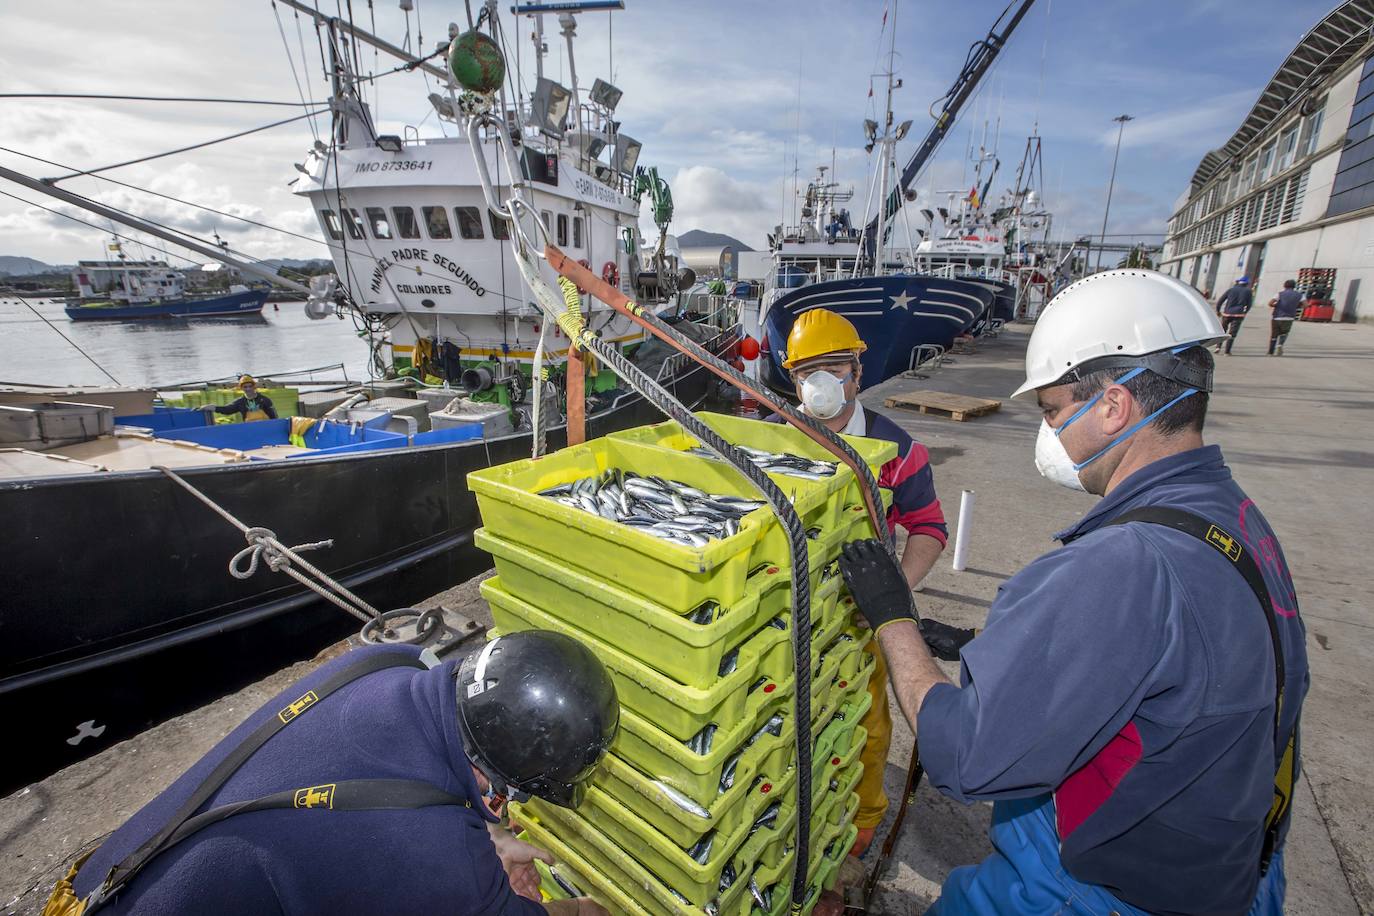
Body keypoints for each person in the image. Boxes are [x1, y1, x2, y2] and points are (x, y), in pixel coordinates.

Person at [839, 269, 1308, 915]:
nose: (1051, 432)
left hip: (1098, 890)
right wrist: (996, 647)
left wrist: (893, 616)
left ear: (1113, 406)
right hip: (1235, 870)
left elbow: (967, 757)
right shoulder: (1233, 517)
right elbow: (1182, 654)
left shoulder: (1119, 563)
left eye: (1054, 411)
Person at [47, 632, 617, 915]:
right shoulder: (435, 857)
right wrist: (584, 910)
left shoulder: (386, 662)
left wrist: (481, 841)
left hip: (106, 880)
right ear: (498, 779)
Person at [772, 308, 948, 859]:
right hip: (792, 611)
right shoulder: (772, 443)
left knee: (868, 724)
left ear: (858, 372)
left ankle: (864, 822)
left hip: (859, 618)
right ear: (792, 378)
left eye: (834, 366)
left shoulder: (897, 449)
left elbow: (929, 526)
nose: (821, 382)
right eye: (807, 371)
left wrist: (893, 595)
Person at [207, 375, 278, 422]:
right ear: (241, 388)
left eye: (250, 386)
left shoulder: (265, 400)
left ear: (254, 386)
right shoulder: (240, 402)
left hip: (266, 427)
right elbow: (227, 410)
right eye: (245, 387)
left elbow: (274, 417)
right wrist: (213, 408)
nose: (248, 389)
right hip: (249, 429)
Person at [1215, 276, 1253, 355]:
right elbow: (1249, 304)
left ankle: (1218, 347)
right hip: (1238, 314)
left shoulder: (1231, 290)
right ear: (1247, 284)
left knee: (1223, 331)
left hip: (1227, 313)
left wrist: (1218, 311)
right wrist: (1245, 312)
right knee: (1232, 333)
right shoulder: (1248, 292)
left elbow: (1220, 301)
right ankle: (1227, 351)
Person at [1268, 279, 1303, 355]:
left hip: (1277, 316)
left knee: (1274, 334)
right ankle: (1280, 344)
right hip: (1290, 317)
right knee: (1284, 332)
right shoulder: (1300, 295)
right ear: (1294, 286)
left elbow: (1270, 303)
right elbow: (1306, 305)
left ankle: (1270, 352)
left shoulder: (1279, 294)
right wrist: (1296, 306)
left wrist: (1276, 305)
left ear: (1284, 286)